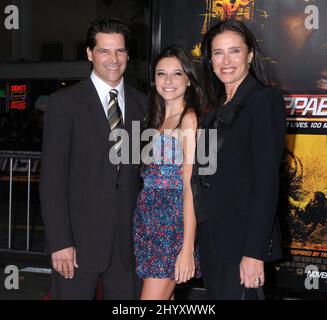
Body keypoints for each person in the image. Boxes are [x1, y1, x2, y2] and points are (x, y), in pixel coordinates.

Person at [39, 18, 147, 299]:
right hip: (77, 243)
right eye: (104, 51)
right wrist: (60, 242)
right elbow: (52, 180)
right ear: (89, 54)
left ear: (127, 54)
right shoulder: (64, 104)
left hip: (128, 245)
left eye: (120, 51)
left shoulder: (143, 104)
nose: (114, 59)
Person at [196, 19, 286, 299]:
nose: (226, 61)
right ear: (210, 60)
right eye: (218, 53)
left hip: (242, 245)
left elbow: (266, 184)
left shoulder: (264, 100)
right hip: (213, 240)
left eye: (234, 51)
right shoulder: (214, 109)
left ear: (249, 55)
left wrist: (253, 253)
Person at [133, 46, 202, 300]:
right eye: (162, 74)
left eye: (177, 74)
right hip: (148, 220)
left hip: (171, 224)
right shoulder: (155, 117)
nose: (168, 81)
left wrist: (186, 248)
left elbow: (189, 188)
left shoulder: (189, 120)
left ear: (189, 80)